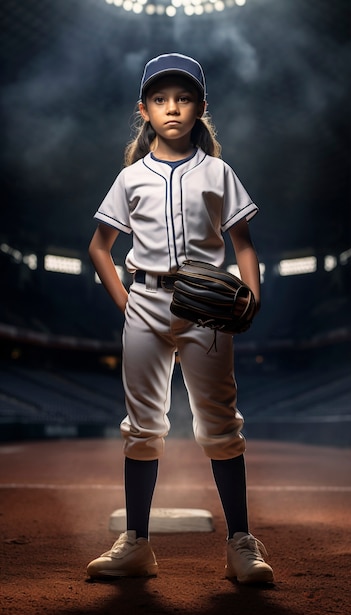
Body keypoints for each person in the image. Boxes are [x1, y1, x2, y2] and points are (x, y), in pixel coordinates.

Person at [87, 53, 274, 585]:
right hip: (145, 300)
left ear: (201, 108)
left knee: (217, 423)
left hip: (206, 309)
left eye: (184, 98)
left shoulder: (216, 171)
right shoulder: (130, 178)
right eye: (161, 99)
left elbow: (243, 243)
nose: (172, 108)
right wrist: (128, 304)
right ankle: (137, 545)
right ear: (143, 109)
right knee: (142, 426)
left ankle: (241, 542)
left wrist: (252, 293)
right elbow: (100, 247)